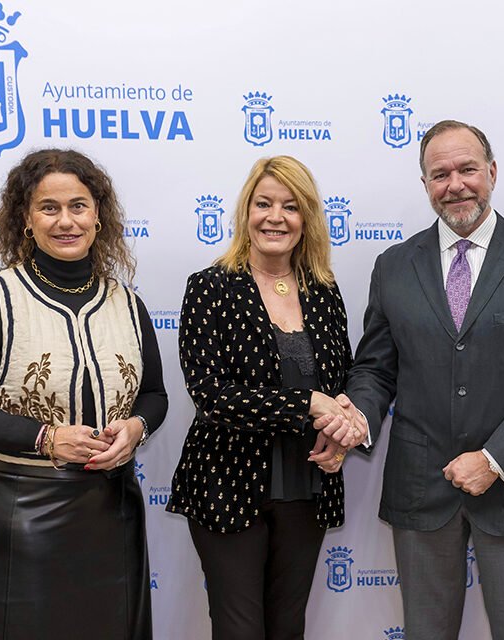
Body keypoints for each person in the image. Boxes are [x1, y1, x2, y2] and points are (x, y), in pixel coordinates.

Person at [341, 120, 504, 640]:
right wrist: (356, 420)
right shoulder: (392, 266)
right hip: (420, 490)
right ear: (426, 185)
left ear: (493, 173)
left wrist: (495, 459)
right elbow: (374, 368)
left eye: (467, 169)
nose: (455, 184)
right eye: (440, 174)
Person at [0, 149, 168, 639]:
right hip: (26, 510)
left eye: (79, 206)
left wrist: (136, 427)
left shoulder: (127, 303)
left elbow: (154, 394)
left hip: (113, 510)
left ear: (98, 215)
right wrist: (45, 438)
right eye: (49, 208)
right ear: (26, 219)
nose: (66, 221)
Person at [167, 155, 364, 640]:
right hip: (228, 486)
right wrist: (308, 405)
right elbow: (211, 395)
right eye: (264, 204)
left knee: (287, 627)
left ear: (307, 221)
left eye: (291, 207)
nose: (275, 217)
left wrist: (341, 430)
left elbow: (343, 378)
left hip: (308, 487)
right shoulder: (210, 287)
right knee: (239, 630)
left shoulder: (324, 291)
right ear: (245, 212)